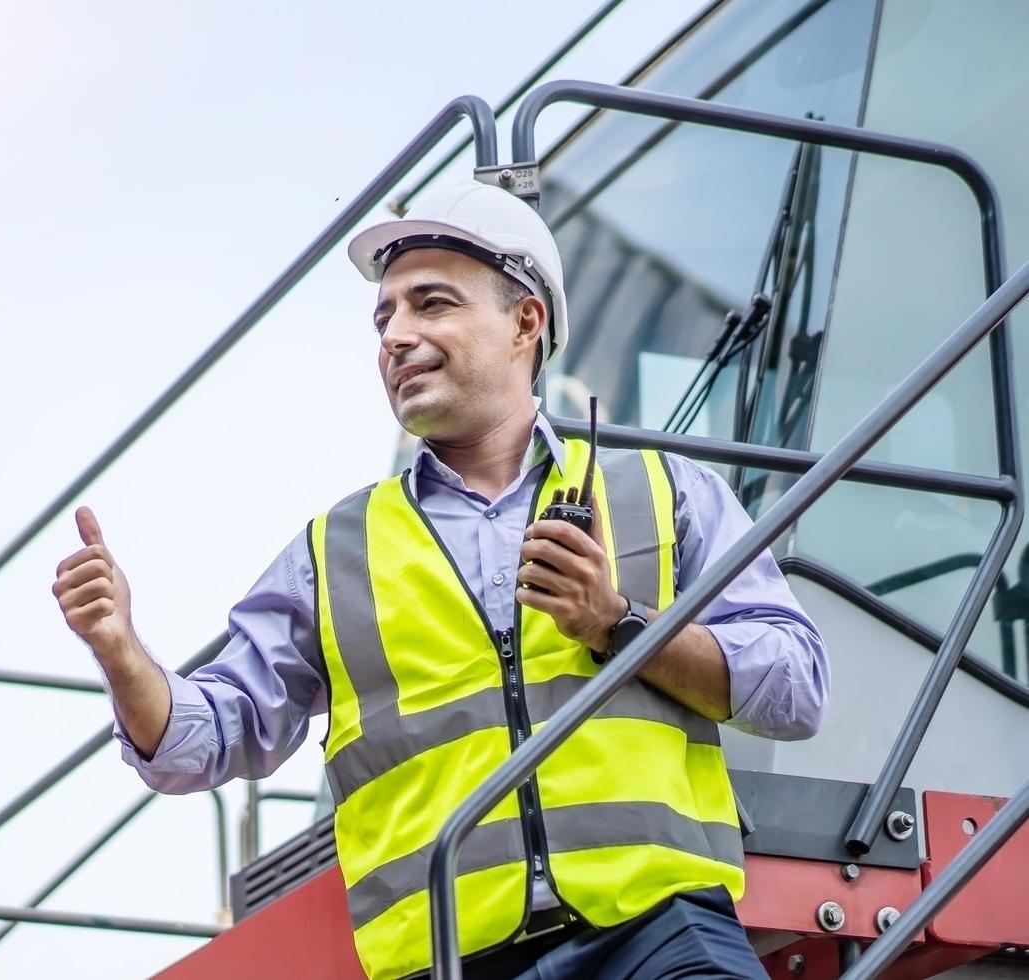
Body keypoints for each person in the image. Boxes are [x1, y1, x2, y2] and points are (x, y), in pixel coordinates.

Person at [52, 180, 829, 980]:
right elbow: (200, 744)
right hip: (449, 961)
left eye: (430, 304)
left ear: (525, 321)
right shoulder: (334, 553)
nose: (395, 335)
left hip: (658, 937)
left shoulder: (668, 496)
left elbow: (798, 689)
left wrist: (619, 624)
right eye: (383, 316)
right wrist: (121, 652)